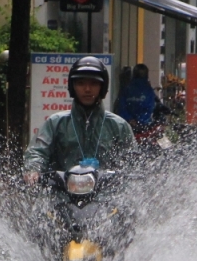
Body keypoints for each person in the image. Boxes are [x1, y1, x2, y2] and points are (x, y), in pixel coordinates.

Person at [23, 56, 135, 185]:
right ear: (72, 86)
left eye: (93, 83)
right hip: (62, 195)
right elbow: (37, 151)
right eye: (81, 83)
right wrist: (33, 170)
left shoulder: (118, 126)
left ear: (102, 87)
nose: (87, 89)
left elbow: (132, 160)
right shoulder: (55, 123)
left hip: (107, 196)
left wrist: (127, 178)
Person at [115, 63, 158, 134]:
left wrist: (129, 119)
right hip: (143, 126)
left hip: (128, 125)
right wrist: (139, 120)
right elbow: (150, 108)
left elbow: (122, 106)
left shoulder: (127, 88)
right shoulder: (148, 89)